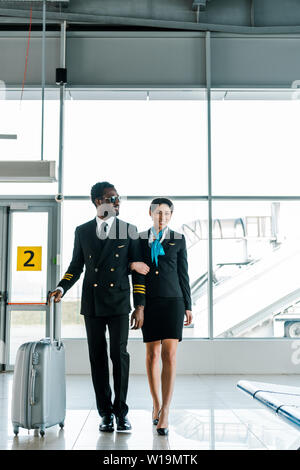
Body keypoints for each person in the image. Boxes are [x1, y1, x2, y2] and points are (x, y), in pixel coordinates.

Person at [49, 182, 148, 433]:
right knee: (98, 359)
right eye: (111, 198)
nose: (117, 202)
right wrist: (61, 288)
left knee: (120, 356)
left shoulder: (129, 230)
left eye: (118, 198)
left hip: (118, 302)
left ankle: (121, 412)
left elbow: (138, 271)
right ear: (97, 202)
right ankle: (105, 413)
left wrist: (140, 306)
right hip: (92, 303)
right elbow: (75, 266)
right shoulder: (82, 231)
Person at [132, 198, 193, 436]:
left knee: (169, 354)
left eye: (166, 213)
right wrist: (139, 305)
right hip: (150, 303)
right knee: (152, 354)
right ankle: (156, 403)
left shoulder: (178, 238)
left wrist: (188, 305)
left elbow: (183, 273)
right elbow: (136, 276)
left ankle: (166, 411)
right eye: (158, 213)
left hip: (173, 302)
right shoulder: (138, 239)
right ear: (150, 213)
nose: (162, 217)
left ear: (171, 215)